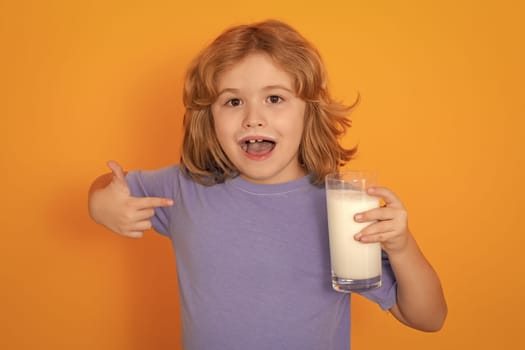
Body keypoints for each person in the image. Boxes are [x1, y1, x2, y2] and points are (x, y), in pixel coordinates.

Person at [88, 19, 447, 350]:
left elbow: (427, 318)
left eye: (274, 99)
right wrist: (101, 203)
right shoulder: (185, 188)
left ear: (309, 111)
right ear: (208, 118)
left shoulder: (342, 208)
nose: (253, 118)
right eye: (233, 102)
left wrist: (401, 247)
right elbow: (112, 183)